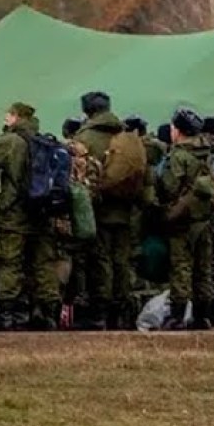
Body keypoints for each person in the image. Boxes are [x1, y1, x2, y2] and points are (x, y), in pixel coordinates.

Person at [0, 102, 58, 330]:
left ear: (16, 117)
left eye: (8, 115)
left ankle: (8, 314)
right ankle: (48, 314)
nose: (5, 119)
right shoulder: (44, 141)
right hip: (42, 213)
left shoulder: (11, 141)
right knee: (42, 264)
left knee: (10, 262)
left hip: (16, 213)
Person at [75, 91, 140, 329]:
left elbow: (79, 174)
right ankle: (120, 312)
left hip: (98, 208)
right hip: (125, 208)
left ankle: (100, 312)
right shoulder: (126, 135)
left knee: (100, 259)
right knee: (121, 260)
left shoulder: (86, 137)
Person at [159, 108, 214, 329]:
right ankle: (202, 315)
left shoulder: (178, 155)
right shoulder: (207, 152)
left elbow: (170, 186)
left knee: (181, 266)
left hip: (182, 219)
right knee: (204, 267)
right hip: (205, 218)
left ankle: (177, 314)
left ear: (178, 130)